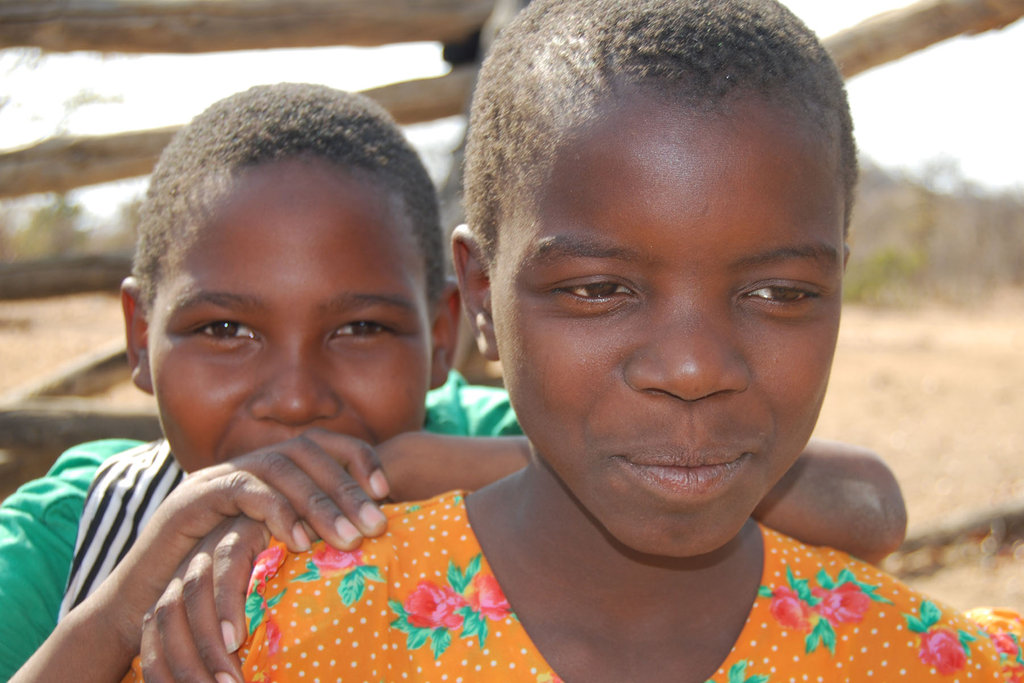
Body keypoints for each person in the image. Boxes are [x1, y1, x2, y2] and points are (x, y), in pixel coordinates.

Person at [122, 1, 1021, 681]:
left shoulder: (928, 659)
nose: (694, 366)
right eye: (599, 289)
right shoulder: (266, 634)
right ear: (480, 294)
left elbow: (872, 504)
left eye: (779, 292)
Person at [5, 77, 898, 683]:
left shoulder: (481, 433)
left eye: (360, 327)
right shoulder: (74, 528)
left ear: (441, 334)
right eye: (224, 329)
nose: (293, 393)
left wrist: (414, 467)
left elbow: (869, 507)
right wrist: (113, 615)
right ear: (137, 337)